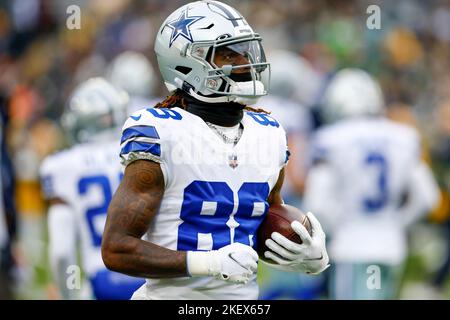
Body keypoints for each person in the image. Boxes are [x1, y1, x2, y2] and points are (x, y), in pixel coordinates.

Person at [101, 0, 329, 300]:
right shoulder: (160, 132)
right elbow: (117, 248)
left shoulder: (269, 132)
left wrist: (304, 253)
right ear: (187, 62)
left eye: (246, 52)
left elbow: (253, 230)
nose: (245, 63)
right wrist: (208, 263)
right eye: (227, 55)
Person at [302, 68, 440, 299]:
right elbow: (428, 198)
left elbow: (316, 201)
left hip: (352, 245)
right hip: (391, 245)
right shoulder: (403, 136)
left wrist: (340, 227)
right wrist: (396, 223)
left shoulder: (331, 139)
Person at [40, 78, 145, 300]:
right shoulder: (143, 152)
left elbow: (61, 252)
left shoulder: (63, 166)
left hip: (103, 277)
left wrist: (69, 291)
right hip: (148, 271)